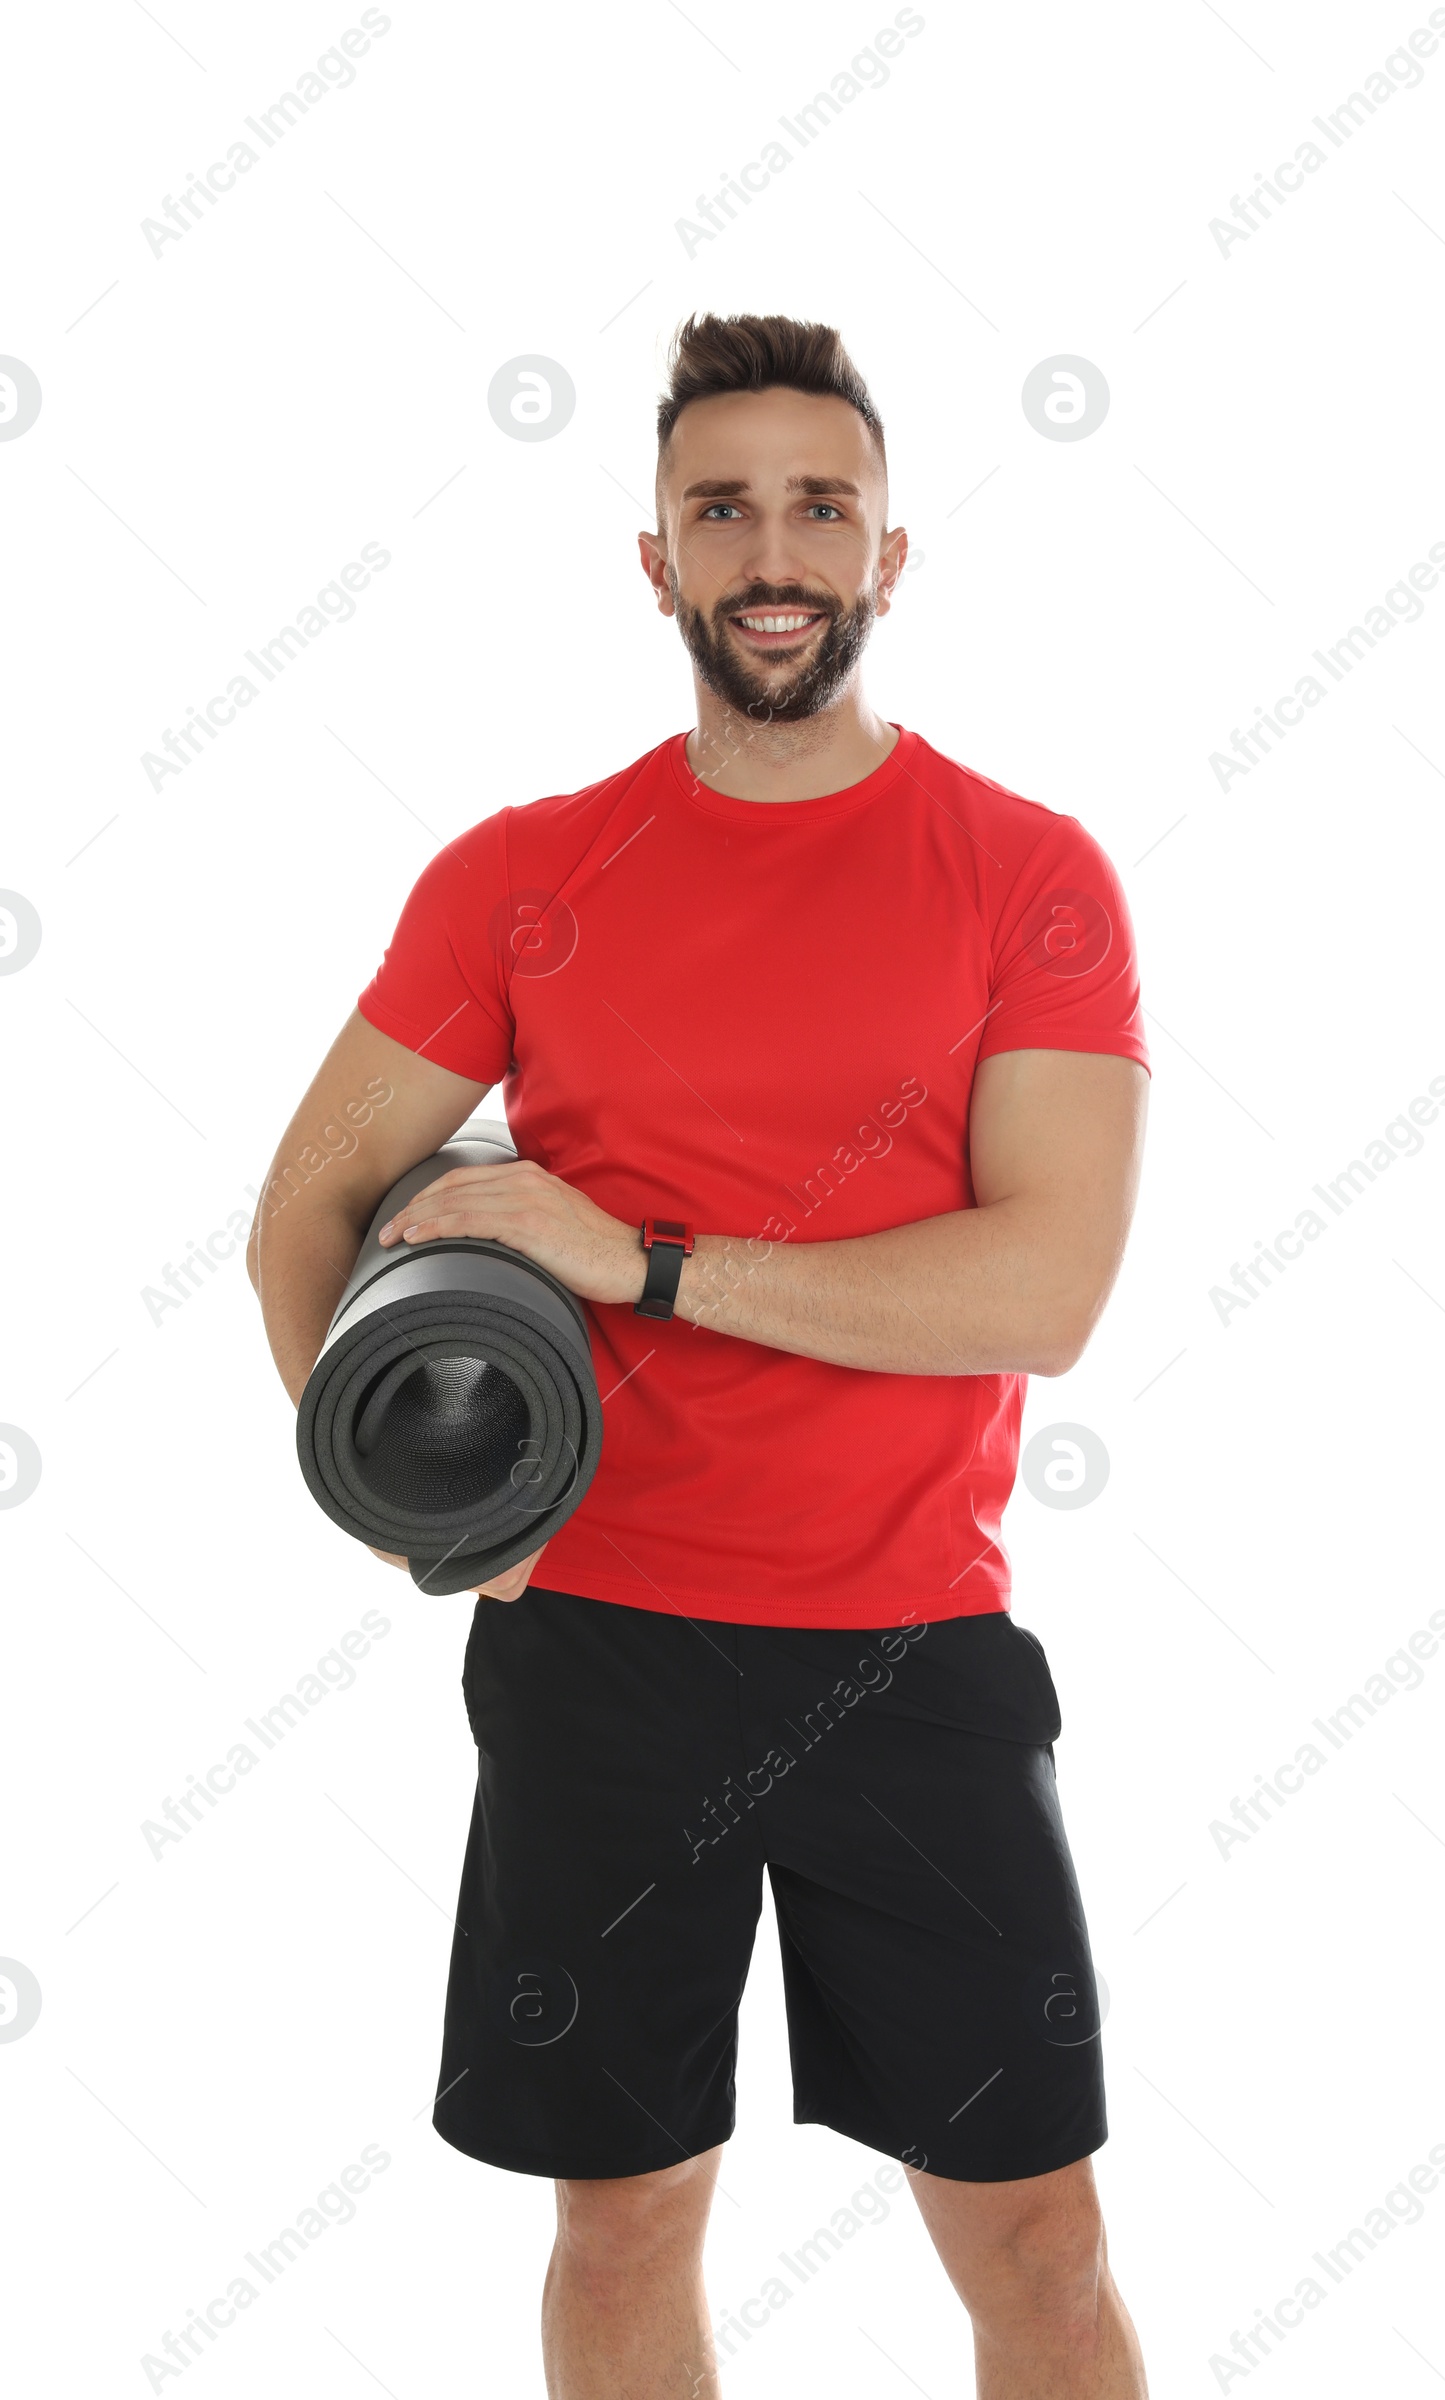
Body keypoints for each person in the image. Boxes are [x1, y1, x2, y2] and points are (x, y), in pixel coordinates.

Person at [249, 311, 1151, 2399]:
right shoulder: (517, 877)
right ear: (650, 560)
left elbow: (1043, 1291)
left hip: (909, 1648)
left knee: (1029, 2233)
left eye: (815, 507)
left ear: (887, 557)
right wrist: (408, 1516)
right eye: (719, 508)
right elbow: (302, 1208)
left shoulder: (1025, 876)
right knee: (626, 2215)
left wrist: (636, 1257)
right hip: (599, 1656)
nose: (771, 549)